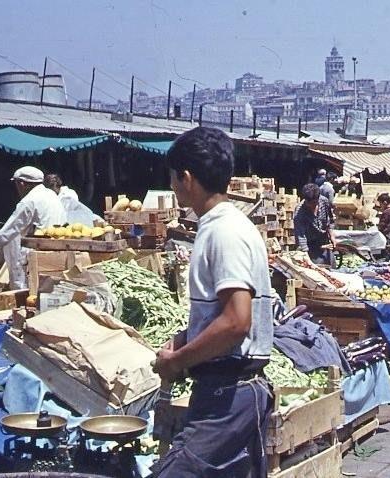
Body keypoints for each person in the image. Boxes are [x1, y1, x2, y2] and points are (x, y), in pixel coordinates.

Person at [152, 127, 274, 477]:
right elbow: (221, 314)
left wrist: (177, 361)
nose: (173, 186)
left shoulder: (224, 231)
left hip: (228, 395)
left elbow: (236, 321)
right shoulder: (224, 224)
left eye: (174, 178)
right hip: (229, 392)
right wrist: (185, 337)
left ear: (186, 178)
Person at [0, 166, 66, 289]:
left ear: (21, 183)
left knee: (27, 295)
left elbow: (8, 232)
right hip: (56, 256)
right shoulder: (51, 196)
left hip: (32, 260)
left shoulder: (29, 201)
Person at [294, 183, 336, 265]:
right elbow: (301, 236)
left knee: (331, 265)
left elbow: (330, 221)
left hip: (324, 242)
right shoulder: (299, 212)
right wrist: (306, 258)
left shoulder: (324, 202)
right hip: (311, 246)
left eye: (314, 203)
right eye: (309, 204)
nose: (312, 206)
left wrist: (332, 236)